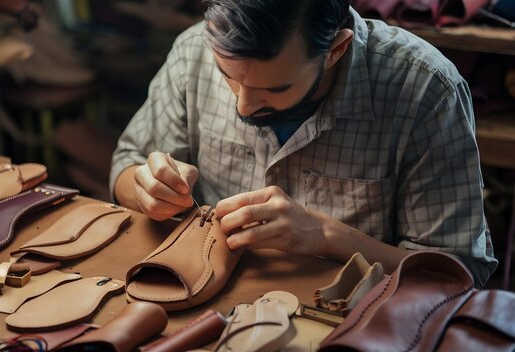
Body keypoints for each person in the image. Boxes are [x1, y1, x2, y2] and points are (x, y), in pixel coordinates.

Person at [109, 0, 497, 287]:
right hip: (205, 293)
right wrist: (143, 186)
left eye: (274, 87)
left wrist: (326, 237)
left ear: (336, 49)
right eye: (227, 75)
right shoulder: (193, 51)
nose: (243, 104)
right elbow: (126, 164)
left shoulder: (426, 91)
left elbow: (461, 274)